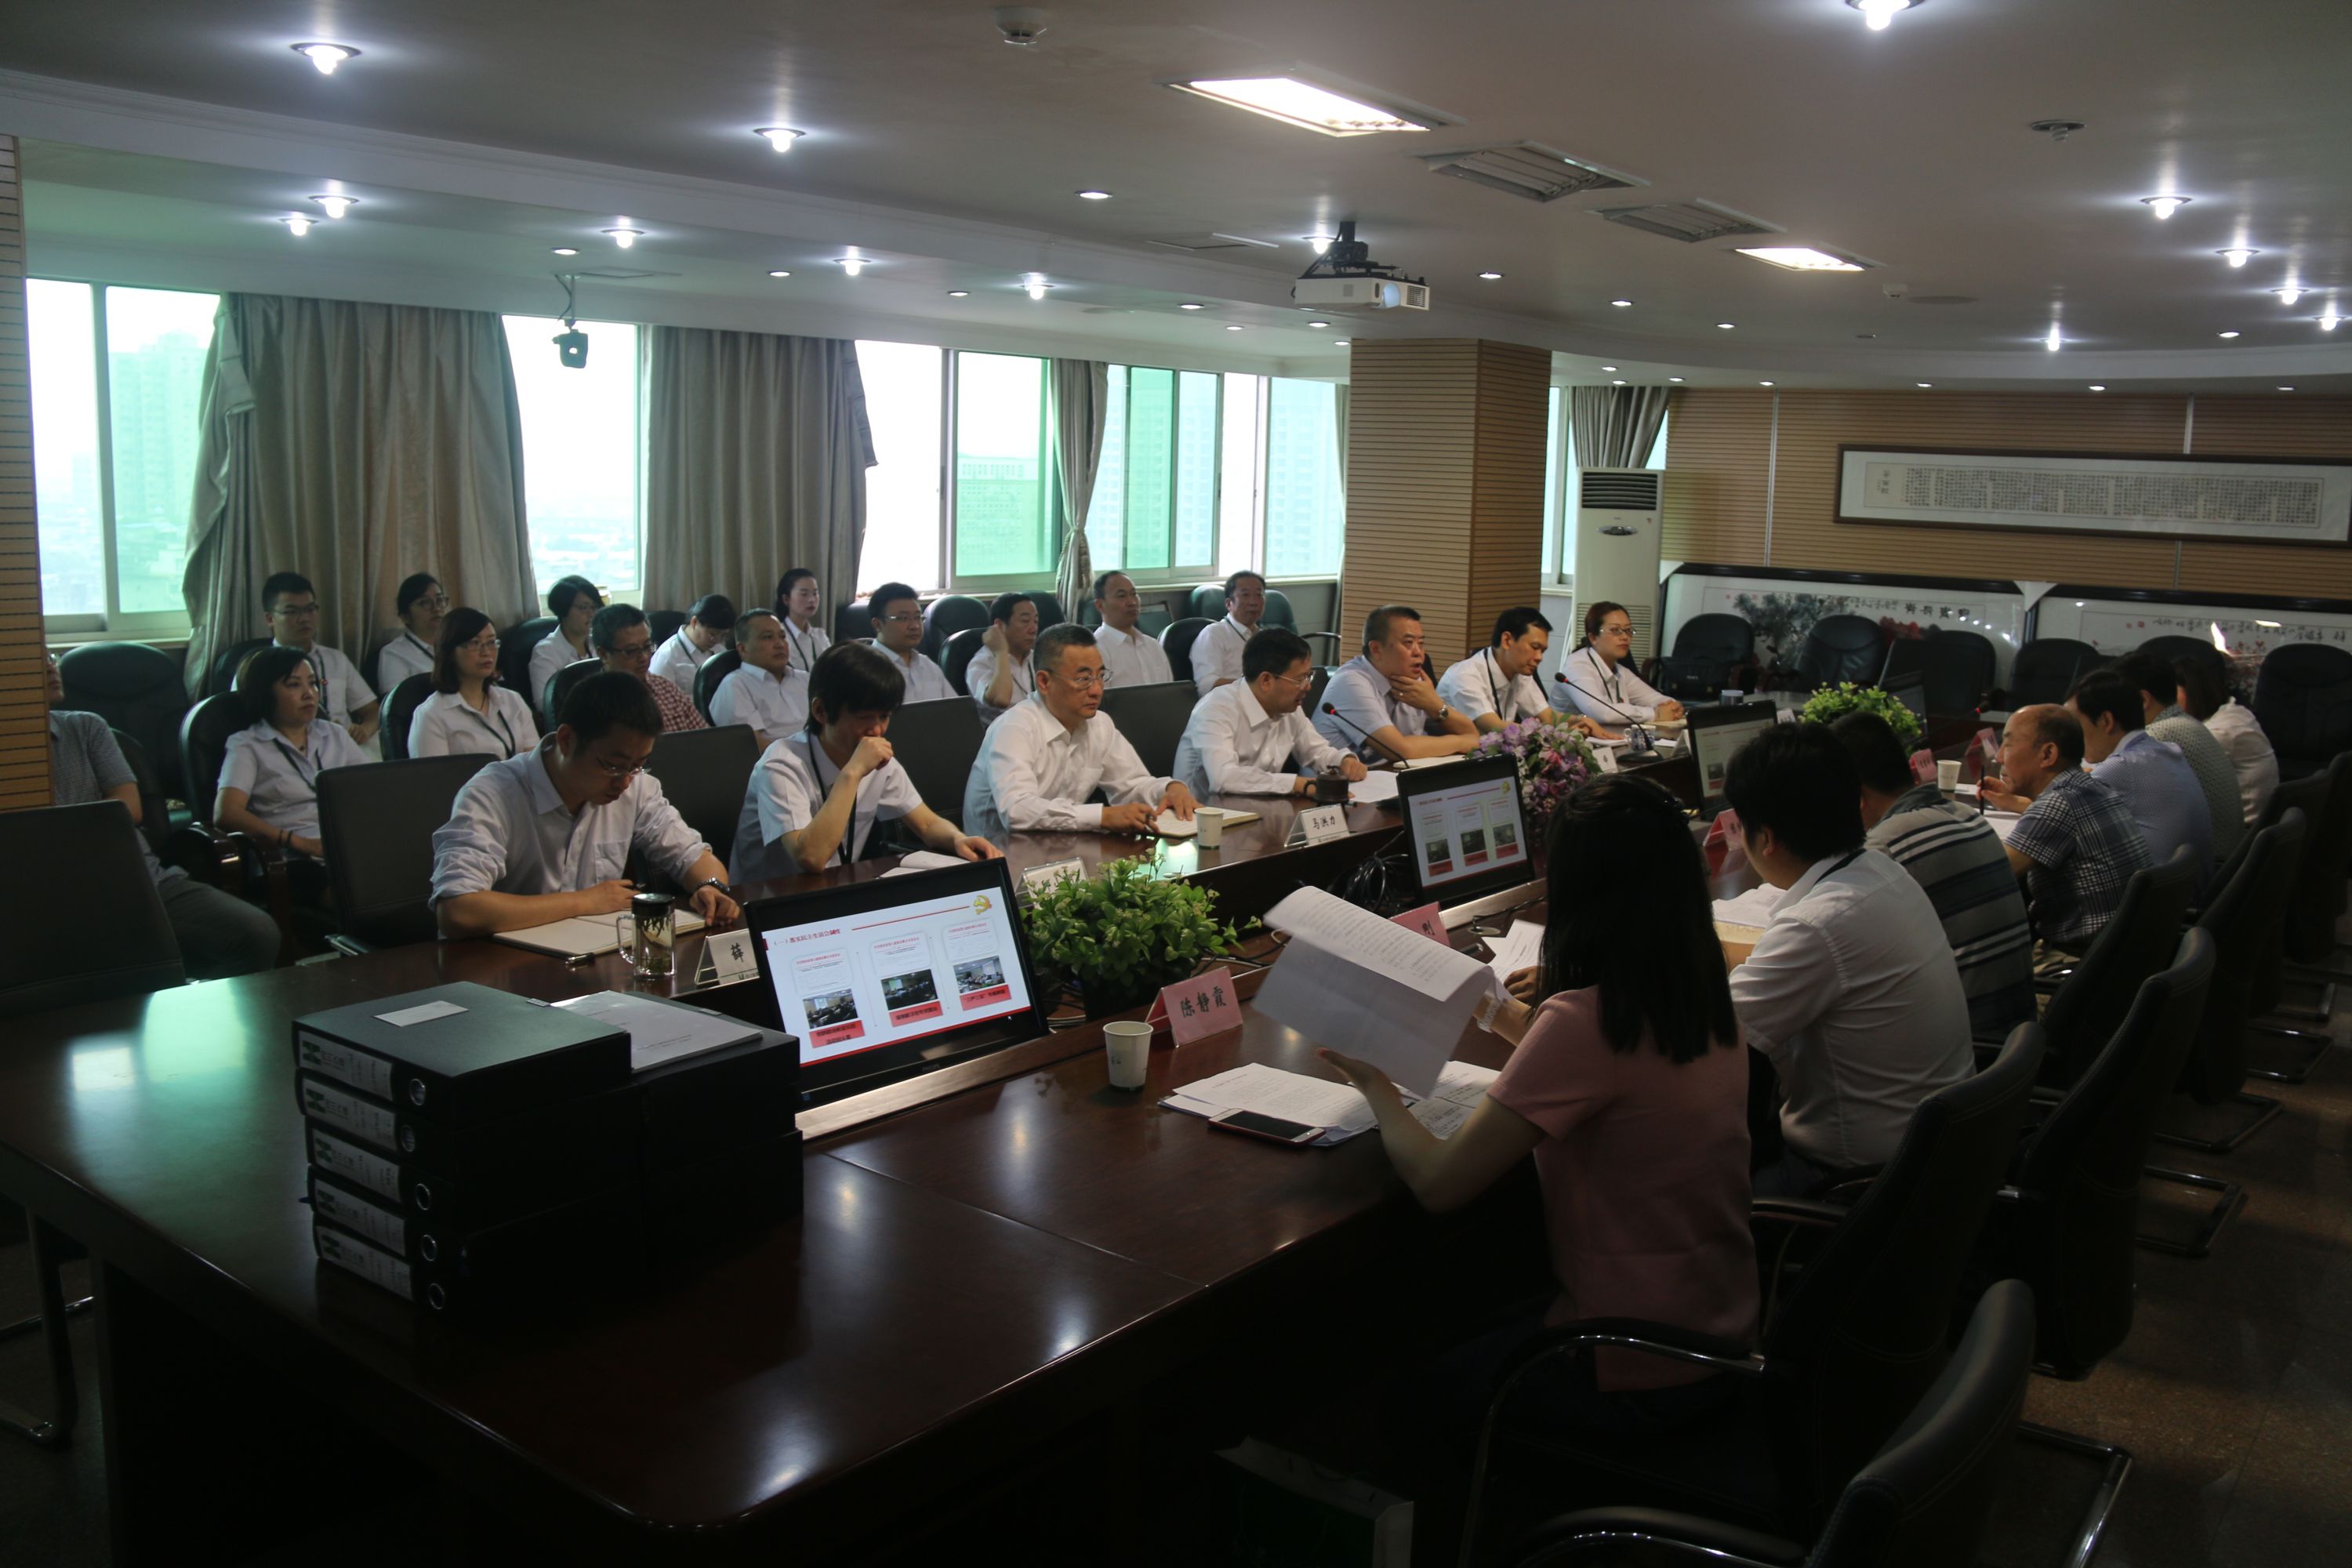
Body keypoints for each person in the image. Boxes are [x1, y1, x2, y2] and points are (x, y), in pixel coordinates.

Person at [1319, 775, 1754, 1505]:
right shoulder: (1699, 988)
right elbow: (1603, 1069)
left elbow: (1438, 1183)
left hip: (1629, 1363)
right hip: (1718, 1331)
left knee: (1401, 1397)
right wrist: (1496, 1014)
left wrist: (1375, 1083)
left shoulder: (1585, 1020)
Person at [1720, 724, 1973, 1195]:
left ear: (1766, 837)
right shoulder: (1882, 871)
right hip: (1935, 1155)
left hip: (1859, 1183)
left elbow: (1710, 1034)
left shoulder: (1817, 924)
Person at [430, 673, 740, 938]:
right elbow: (458, 910)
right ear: (567, 740)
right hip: (503, 966)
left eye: (638, 765)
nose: (625, 782)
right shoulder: (493, 794)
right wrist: (584, 902)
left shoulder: (637, 788)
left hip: (594, 955)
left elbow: (695, 857)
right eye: (612, 766)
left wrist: (710, 888)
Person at [45, 653, 280, 978]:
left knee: (256, 932)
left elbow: (127, 809)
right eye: (34, 657)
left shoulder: (86, 727)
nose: (49, 665)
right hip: (55, 896)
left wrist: (53, 830)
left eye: (50, 655)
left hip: (142, 879)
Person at [1829, 711, 2034, 1040]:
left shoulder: (1884, 849)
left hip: (1969, 1046)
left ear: (1855, 797)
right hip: (2015, 1039)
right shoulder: (1968, 816)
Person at [731, 642, 1002, 884]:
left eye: (884, 716)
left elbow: (927, 825)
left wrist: (958, 839)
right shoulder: (781, 765)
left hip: (833, 888)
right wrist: (853, 772)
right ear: (821, 711)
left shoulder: (874, 757)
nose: (877, 730)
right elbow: (811, 857)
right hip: (765, 897)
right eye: (864, 717)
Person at [964, 624, 1196, 844]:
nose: (1096, 690)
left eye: (1100, 677)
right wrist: (1102, 817)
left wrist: (1168, 790)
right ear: (1044, 682)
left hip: (1063, 846)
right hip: (999, 854)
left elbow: (1131, 786)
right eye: (1083, 679)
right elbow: (1017, 810)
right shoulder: (1014, 728)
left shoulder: (1100, 724)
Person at [1980, 705, 2154, 962]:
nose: (1999, 757)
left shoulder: (2058, 804)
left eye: (2009, 744)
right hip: (2124, 955)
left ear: (2048, 754)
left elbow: (1986, 878)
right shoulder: (2092, 787)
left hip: (2080, 963)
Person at [215, 644, 369, 864]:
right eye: (294, 685)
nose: (309, 694)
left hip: (349, 842)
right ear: (265, 693)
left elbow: (370, 788)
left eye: (313, 683)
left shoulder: (334, 734)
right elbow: (227, 813)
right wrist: (300, 843)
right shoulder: (247, 745)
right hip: (293, 856)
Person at [1173, 628, 1367, 801]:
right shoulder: (1217, 708)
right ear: (1266, 680)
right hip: (1201, 818)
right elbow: (1223, 778)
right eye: (1300, 679)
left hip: (1259, 810)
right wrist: (1297, 784)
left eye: (1309, 676)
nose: (1307, 687)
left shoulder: (1289, 708)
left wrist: (1343, 761)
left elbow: (1317, 752)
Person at [2066, 670, 2212, 881]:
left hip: (2150, 896)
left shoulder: (2121, 767)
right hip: (2186, 890)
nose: (2072, 736)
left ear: (2106, 720)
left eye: (2076, 725)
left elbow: (2054, 817)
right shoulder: (2165, 751)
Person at [2110, 652, 2247, 866]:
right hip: (2220, 863)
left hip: (2203, 868)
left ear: (2143, 700)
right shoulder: (2189, 724)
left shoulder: (2158, 735)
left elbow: (2094, 793)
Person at [1312, 604, 1481, 763]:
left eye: (1421, 643)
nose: (1418, 653)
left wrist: (1435, 705)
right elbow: (1400, 750)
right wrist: (1460, 742)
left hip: (1388, 775)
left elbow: (1472, 734)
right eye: (1408, 643)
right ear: (1376, 649)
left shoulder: (1413, 681)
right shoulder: (1351, 682)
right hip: (1334, 782)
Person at [1438, 606, 1618, 739]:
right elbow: (1494, 726)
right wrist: (1561, 734)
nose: (1539, 657)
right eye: (1534, 647)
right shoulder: (1465, 676)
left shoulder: (1520, 673)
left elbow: (1547, 717)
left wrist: (1581, 720)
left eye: (1543, 651)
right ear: (1507, 640)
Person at [260, 572, 379, 746]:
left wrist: (364, 730)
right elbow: (248, 723)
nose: (304, 619)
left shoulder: (336, 659)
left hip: (344, 747)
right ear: (270, 619)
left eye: (310, 610)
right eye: (292, 612)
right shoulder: (257, 666)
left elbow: (372, 711)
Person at [410, 608, 540, 760]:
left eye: (491, 642)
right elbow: (434, 775)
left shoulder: (513, 700)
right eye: (475, 643)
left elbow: (534, 763)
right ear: (450, 651)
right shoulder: (431, 715)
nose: (486, 652)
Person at [2176, 655, 2278, 826]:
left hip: (2240, 831)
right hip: (2250, 823)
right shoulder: (2234, 711)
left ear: (2194, 692)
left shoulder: (2219, 732)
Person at [1558, 601, 1683, 730]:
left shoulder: (1619, 670)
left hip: (1607, 738)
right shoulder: (1577, 666)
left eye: (1628, 630)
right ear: (1593, 637)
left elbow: (1654, 698)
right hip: (1566, 739)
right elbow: (1602, 713)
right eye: (1615, 630)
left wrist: (1673, 707)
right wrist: (1656, 714)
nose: (1625, 637)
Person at [593, 604, 706, 735]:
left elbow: (705, 737)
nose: (644, 657)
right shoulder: (595, 703)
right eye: (631, 651)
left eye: (647, 647)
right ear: (604, 655)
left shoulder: (666, 688)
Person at [710, 608, 808, 745]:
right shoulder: (735, 686)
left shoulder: (806, 679)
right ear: (743, 649)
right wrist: (805, 755)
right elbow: (751, 744)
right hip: (778, 757)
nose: (780, 644)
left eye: (782, 636)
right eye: (768, 637)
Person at [867, 581, 959, 704]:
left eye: (917, 617)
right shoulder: (864, 670)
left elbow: (955, 710)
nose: (914, 626)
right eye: (903, 618)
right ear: (878, 624)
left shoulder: (928, 666)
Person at [528, 574, 604, 703]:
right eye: (584, 607)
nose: (591, 614)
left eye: (594, 607)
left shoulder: (598, 643)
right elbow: (545, 703)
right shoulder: (546, 652)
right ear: (563, 609)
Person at [1091, 571, 1173, 689]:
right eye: (1122, 596)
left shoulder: (1153, 646)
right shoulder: (1096, 650)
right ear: (1100, 605)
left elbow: (1170, 693)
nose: (1132, 602)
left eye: (1134, 594)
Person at [1188, 571, 1265, 695]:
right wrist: (1252, 687)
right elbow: (1207, 684)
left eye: (1258, 595)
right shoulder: (1214, 634)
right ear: (1229, 604)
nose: (1253, 602)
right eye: (1245, 595)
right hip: (1228, 702)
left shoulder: (1266, 638)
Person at [967, 591, 1039, 723]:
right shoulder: (981, 663)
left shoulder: (1037, 658)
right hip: (1006, 731)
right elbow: (1001, 699)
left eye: (1036, 621)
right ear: (999, 625)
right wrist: (1001, 652)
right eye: (1025, 621)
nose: (1033, 629)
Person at [649, 593, 736, 692]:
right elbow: (660, 698)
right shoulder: (666, 657)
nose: (717, 640)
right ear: (694, 622)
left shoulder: (720, 649)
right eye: (713, 634)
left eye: (723, 635)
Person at [376, 573, 448, 692]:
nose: (436, 608)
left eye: (439, 600)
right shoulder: (395, 654)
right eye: (425, 602)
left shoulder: (459, 644)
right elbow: (397, 700)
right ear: (405, 617)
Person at [775, 568, 833, 673]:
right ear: (786, 599)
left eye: (815, 593)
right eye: (804, 594)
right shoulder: (778, 638)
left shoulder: (820, 635)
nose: (812, 600)